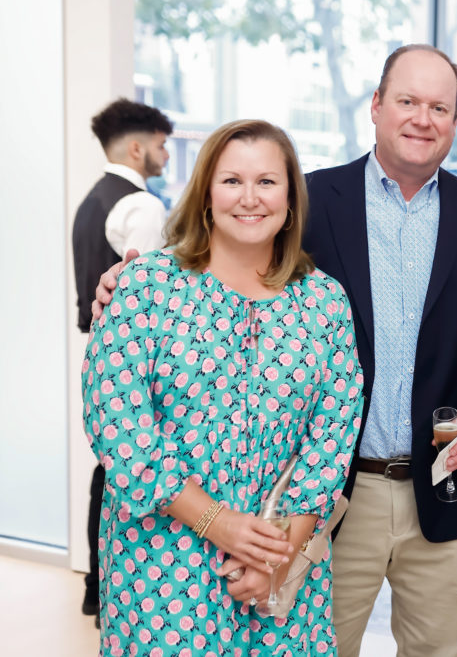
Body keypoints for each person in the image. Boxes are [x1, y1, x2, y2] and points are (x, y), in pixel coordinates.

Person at [81, 119, 365, 654]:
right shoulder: (147, 287)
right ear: (207, 193)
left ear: (290, 198)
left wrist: (277, 555)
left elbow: (331, 441)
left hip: (278, 560)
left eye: (267, 182)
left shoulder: (324, 302)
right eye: (232, 180)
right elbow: (117, 425)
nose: (250, 198)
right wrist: (218, 523)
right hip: (161, 566)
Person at [304, 45, 457, 656]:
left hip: (449, 488)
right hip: (334, 492)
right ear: (376, 106)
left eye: (439, 107)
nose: (423, 119)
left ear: (455, 120)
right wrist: (130, 280)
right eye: (407, 101)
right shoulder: (311, 203)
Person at [71, 97, 173, 625]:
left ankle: (96, 585)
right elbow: (147, 293)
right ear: (137, 147)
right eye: (160, 146)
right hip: (136, 361)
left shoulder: (93, 199)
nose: (166, 156)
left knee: (108, 468)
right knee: (131, 473)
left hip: (99, 351)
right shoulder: (144, 206)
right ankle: (113, 585)